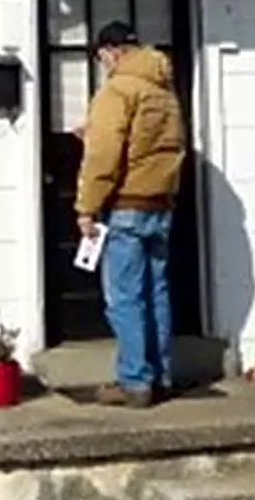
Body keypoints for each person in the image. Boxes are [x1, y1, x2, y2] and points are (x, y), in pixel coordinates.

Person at [74, 21, 187, 408]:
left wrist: (87, 207)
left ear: (113, 51)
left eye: (102, 56)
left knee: (124, 298)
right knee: (157, 293)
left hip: (125, 207)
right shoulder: (165, 93)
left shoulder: (118, 91)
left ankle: (135, 382)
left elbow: (104, 156)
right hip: (161, 205)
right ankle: (162, 376)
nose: (102, 64)